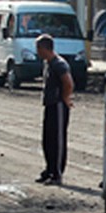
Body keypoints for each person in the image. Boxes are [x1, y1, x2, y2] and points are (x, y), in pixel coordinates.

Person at [36, 34, 73, 186]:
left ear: (45, 48)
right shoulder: (48, 63)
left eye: (38, 48)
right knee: (47, 139)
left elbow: (68, 83)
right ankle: (49, 169)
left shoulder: (59, 64)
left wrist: (65, 98)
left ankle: (57, 173)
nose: (37, 52)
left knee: (57, 140)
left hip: (58, 105)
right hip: (50, 105)